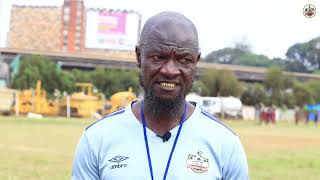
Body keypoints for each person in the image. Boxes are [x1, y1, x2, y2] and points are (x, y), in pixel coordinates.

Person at [72, 11, 249, 180]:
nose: (170, 71)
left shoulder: (225, 143)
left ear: (196, 62)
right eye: (159, 57)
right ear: (139, 57)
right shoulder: (97, 138)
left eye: (184, 60)